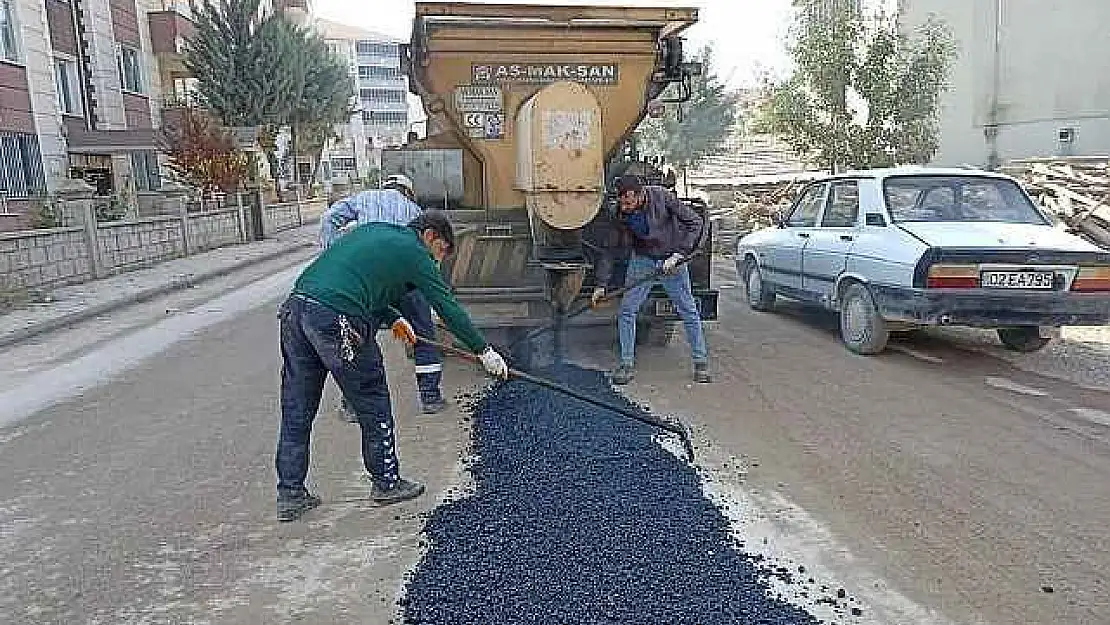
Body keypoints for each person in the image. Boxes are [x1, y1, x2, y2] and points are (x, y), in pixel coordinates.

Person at [275, 211, 509, 522]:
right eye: (440, 251)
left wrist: (393, 317)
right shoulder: (415, 253)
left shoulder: (378, 232)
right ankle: (386, 482)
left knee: (298, 406)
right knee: (372, 400)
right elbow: (446, 305)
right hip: (337, 317)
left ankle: (290, 493)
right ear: (428, 236)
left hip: (297, 310)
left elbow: (359, 282)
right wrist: (483, 350)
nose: (437, 262)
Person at [320, 174, 449, 416]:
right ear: (408, 192)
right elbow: (425, 257)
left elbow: (329, 218)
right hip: (405, 281)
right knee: (422, 333)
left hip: (369, 283)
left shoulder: (364, 198)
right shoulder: (414, 211)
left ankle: (352, 406)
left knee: (357, 338)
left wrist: (334, 252)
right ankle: (430, 398)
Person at [591, 174, 711, 385]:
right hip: (642, 261)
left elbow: (695, 222)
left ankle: (700, 362)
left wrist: (678, 255)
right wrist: (601, 285)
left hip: (672, 261)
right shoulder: (619, 211)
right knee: (627, 311)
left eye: (628, 202)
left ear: (639, 195)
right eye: (622, 202)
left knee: (688, 310)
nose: (625, 207)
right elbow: (609, 250)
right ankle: (626, 364)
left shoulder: (663, 198)